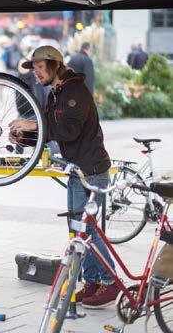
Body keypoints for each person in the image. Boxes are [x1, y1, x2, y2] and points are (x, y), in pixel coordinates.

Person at [8, 46, 119, 309]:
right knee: (77, 230)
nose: (34, 73)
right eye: (32, 68)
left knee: (88, 229)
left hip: (92, 171)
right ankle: (92, 281)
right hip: (76, 170)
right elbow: (50, 133)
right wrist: (23, 137)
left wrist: (34, 124)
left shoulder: (74, 92)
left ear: (54, 65)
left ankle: (111, 281)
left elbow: (69, 130)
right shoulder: (55, 94)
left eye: (38, 67)